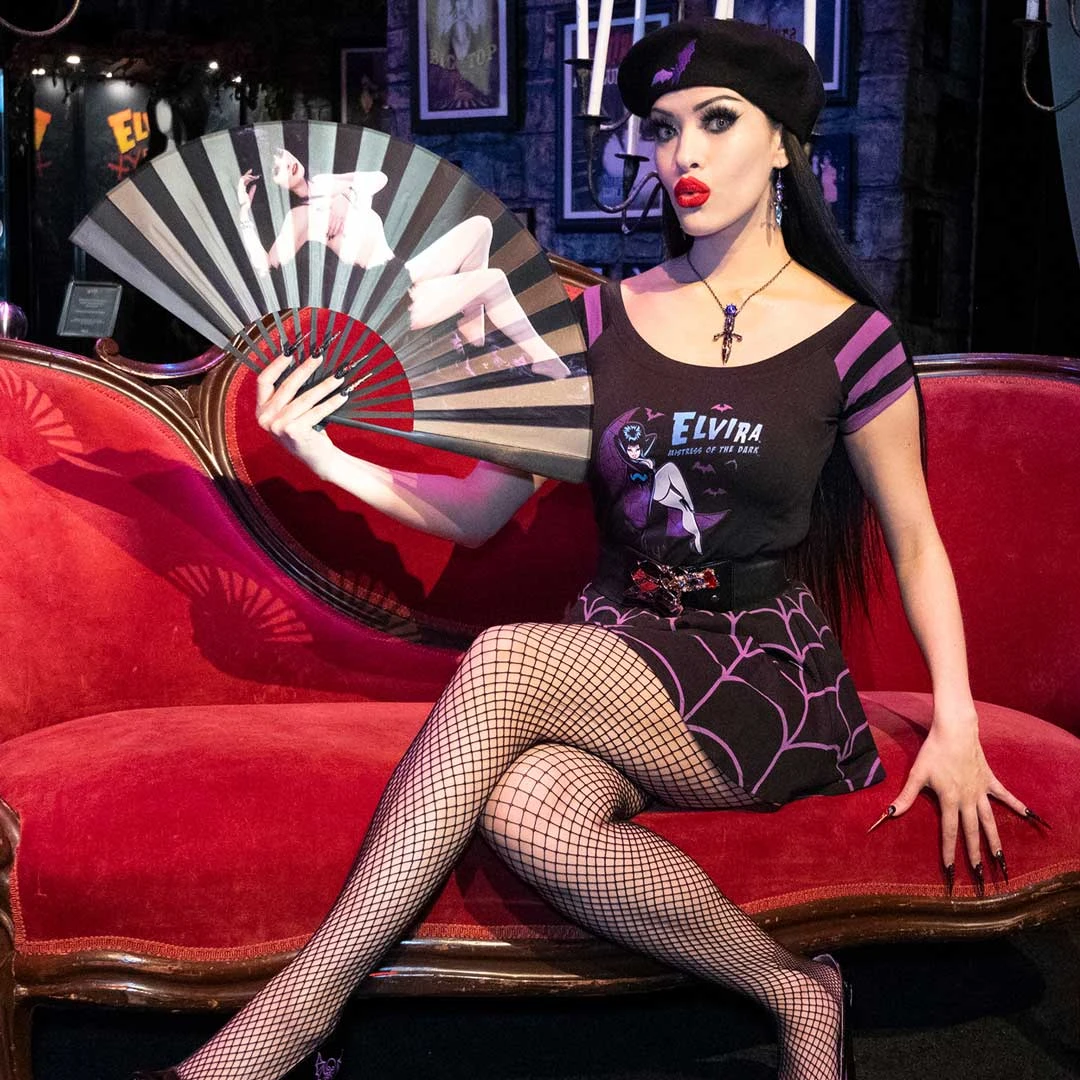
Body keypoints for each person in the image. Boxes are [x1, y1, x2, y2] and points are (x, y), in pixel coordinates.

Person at [137, 18, 1030, 1080]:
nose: (682, 153)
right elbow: (479, 510)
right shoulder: (599, 323)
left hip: (756, 669)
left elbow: (917, 543)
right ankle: (797, 989)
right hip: (620, 645)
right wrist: (325, 457)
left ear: (785, 143)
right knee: (532, 810)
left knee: (505, 658)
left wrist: (957, 723)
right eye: (663, 128)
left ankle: (292, 1021)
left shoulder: (854, 340)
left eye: (716, 121)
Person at [236, 148, 570, 377]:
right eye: (276, 169)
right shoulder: (299, 218)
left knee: (480, 226)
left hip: (402, 272)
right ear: (274, 186)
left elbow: (378, 179)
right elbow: (265, 267)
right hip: (388, 301)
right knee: (493, 279)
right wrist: (244, 215)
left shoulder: (327, 185)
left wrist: (338, 196)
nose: (286, 163)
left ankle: (473, 333)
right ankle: (546, 361)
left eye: (281, 154)